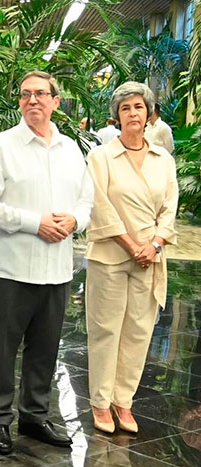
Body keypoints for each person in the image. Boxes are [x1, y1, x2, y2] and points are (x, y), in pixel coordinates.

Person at [0, 70, 93, 455]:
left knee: (45, 347)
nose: (33, 100)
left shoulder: (71, 149)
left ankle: (35, 416)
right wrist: (32, 222)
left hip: (56, 268)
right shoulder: (2, 146)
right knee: (3, 349)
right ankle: (0, 420)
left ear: (57, 101)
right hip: (11, 268)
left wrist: (75, 220)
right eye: (26, 94)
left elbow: (86, 201)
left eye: (41, 93)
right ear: (20, 102)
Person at [86, 81, 178, 435]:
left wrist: (153, 244)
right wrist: (130, 244)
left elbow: (170, 208)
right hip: (111, 254)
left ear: (149, 113)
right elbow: (98, 204)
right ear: (116, 116)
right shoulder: (101, 157)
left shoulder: (163, 160)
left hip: (149, 257)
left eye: (138, 107)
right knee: (106, 330)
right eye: (125, 108)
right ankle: (100, 402)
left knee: (138, 332)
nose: (132, 114)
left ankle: (123, 402)